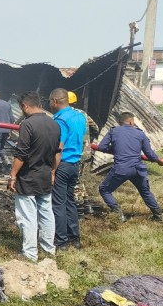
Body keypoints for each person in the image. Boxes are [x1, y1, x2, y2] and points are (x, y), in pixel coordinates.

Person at [8, 91, 60, 262]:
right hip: (45, 175)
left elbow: (21, 153)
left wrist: (13, 176)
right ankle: (48, 249)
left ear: (25, 106)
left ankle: (30, 254)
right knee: (46, 212)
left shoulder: (27, 124)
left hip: (28, 177)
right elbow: (57, 152)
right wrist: (53, 172)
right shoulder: (54, 124)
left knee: (28, 216)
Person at [98, 112, 163, 222]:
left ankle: (119, 215)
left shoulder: (113, 131)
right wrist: (158, 160)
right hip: (138, 168)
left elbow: (102, 147)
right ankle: (158, 216)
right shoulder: (140, 133)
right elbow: (149, 153)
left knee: (104, 189)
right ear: (131, 121)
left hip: (121, 169)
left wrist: (116, 149)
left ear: (120, 122)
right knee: (145, 192)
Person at [48, 88, 87, 250]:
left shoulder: (60, 120)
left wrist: (52, 171)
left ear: (55, 101)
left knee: (58, 204)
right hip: (75, 164)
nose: (49, 104)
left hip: (62, 165)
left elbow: (59, 147)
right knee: (70, 201)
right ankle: (75, 238)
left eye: (50, 101)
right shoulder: (79, 116)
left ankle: (61, 241)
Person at [68, 91, 99, 212]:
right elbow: (95, 128)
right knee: (79, 180)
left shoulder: (66, 116)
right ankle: (87, 205)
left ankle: (79, 208)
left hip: (74, 153)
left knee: (74, 181)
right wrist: (89, 139)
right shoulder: (83, 114)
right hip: (86, 152)